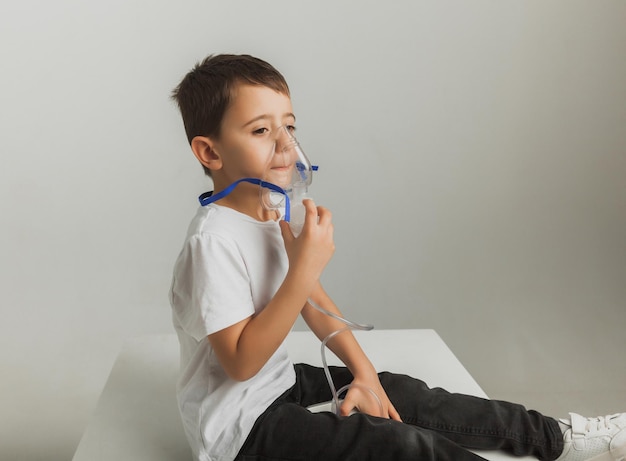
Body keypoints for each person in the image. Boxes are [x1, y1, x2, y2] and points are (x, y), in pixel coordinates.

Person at [169, 53, 626, 461]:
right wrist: (304, 266)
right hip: (240, 430)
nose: (286, 145)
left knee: (407, 394)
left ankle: (555, 438)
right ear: (210, 152)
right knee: (397, 445)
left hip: (277, 386)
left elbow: (313, 303)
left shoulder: (270, 214)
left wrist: (366, 375)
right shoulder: (213, 242)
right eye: (261, 130)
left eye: (289, 125)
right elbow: (242, 363)